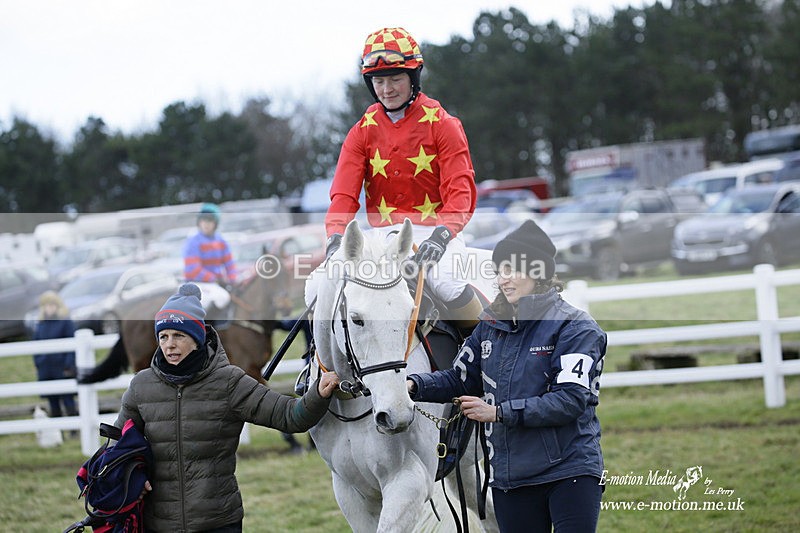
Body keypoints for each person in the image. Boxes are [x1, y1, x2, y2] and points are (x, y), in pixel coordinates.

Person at [407, 220, 607, 533]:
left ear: (538, 273)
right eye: (500, 270)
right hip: (509, 478)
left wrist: (498, 413)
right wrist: (411, 385)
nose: (504, 279)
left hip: (570, 471)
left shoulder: (576, 328)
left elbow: (570, 400)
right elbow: (459, 380)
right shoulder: (489, 327)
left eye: (514, 270)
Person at [115, 283, 339, 532]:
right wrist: (128, 473)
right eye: (163, 336)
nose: (169, 344)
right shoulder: (141, 386)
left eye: (178, 335)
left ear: (197, 338)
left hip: (218, 521)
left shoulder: (229, 381)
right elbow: (116, 442)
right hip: (158, 524)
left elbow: (288, 416)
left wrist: (318, 394)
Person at [324, 26, 483, 329]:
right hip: (379, 239)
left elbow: (460, 192)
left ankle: (484, 352)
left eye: (396, 79)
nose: (387, 89)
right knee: (322, 284)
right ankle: (320, 367)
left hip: (434, 234)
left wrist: (441, 236)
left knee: (446, 281)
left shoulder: (443, 124)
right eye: (379, 81)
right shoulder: (361, 131)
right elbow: (343, 195)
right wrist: (335, 236)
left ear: (414, 77)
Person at [32, 291, 78, 419]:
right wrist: (39, 363)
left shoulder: (65, 322)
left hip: (62, 367)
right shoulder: (40, 325)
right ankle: (59, 431)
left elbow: (71, 345)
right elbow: (35, 346)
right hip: (46, 368)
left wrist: (68, 365)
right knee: (52, 400)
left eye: (52, 305)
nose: (49, 308)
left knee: (68, 398)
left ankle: (73, 429)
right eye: (47, 305)